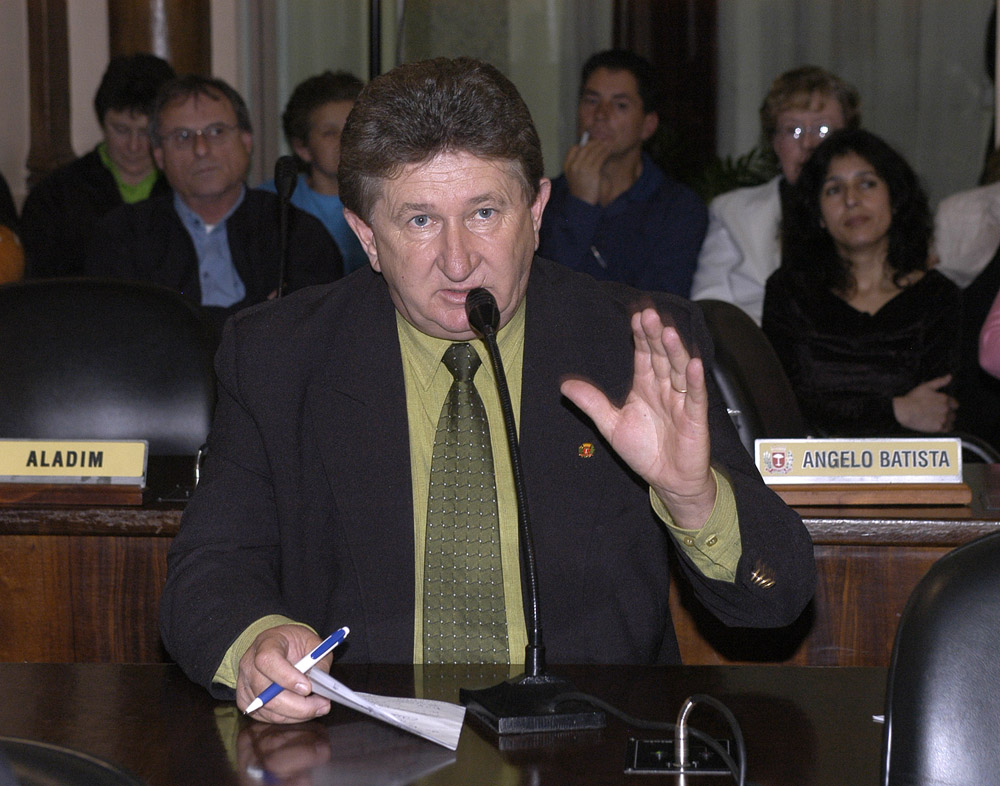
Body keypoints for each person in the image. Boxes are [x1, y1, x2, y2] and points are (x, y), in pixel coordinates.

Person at [160, 57, 815, 724]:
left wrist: (692, 495)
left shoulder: (634, 343)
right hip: (360, 742)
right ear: (366, 236)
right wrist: (258, 643)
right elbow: (210, 570)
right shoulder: (278, 356)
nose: (458, 259)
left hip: (588, 744)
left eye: (484, 212)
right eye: (419, 220)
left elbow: (779, 597)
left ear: (535, 209)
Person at [85, 75, 342, 336]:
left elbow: (315, 337)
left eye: (217, 131)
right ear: (159, 155)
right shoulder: (122, 235)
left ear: (246, 141)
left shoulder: (296, 231)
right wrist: (256, 313)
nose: (201, 149)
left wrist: (177, 321)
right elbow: (121, 337)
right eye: (182, 136)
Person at [762, 129, 960, 436]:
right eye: (833, 190)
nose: (852, 200)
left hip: (910, 475)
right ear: (818, 216)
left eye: (867, 184)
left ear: (894, 199)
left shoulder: (938, 297)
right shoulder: (789, 292)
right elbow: (780, 406)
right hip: (805, 474)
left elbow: (936, 411)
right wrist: (896, 410)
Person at [691, 66, 860, 324]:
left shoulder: (873, 210)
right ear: (773, 142)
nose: (808, 144)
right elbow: (711, 309)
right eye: (793, 130)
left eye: (822, 130)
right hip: (759, 355)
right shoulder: (733, 212)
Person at [537, 49, 707, 297]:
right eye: (591, 100)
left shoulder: (677, 207)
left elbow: (659, 304)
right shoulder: (544, 199)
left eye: (620, 105)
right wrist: (579, 204)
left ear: (648, 125)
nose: (600, 115)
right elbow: (545, 293)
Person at [20, 53, 176, 278]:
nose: (134, 146)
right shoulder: (55, 197)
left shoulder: (186, 189)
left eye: (146, 132)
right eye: (121, 130)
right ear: (102, 122)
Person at [258, 71, 368, 275]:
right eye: (329, 133)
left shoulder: (385, 195)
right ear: (303, 149)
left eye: (353, 128)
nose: (345, 140)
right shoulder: (274, 200)